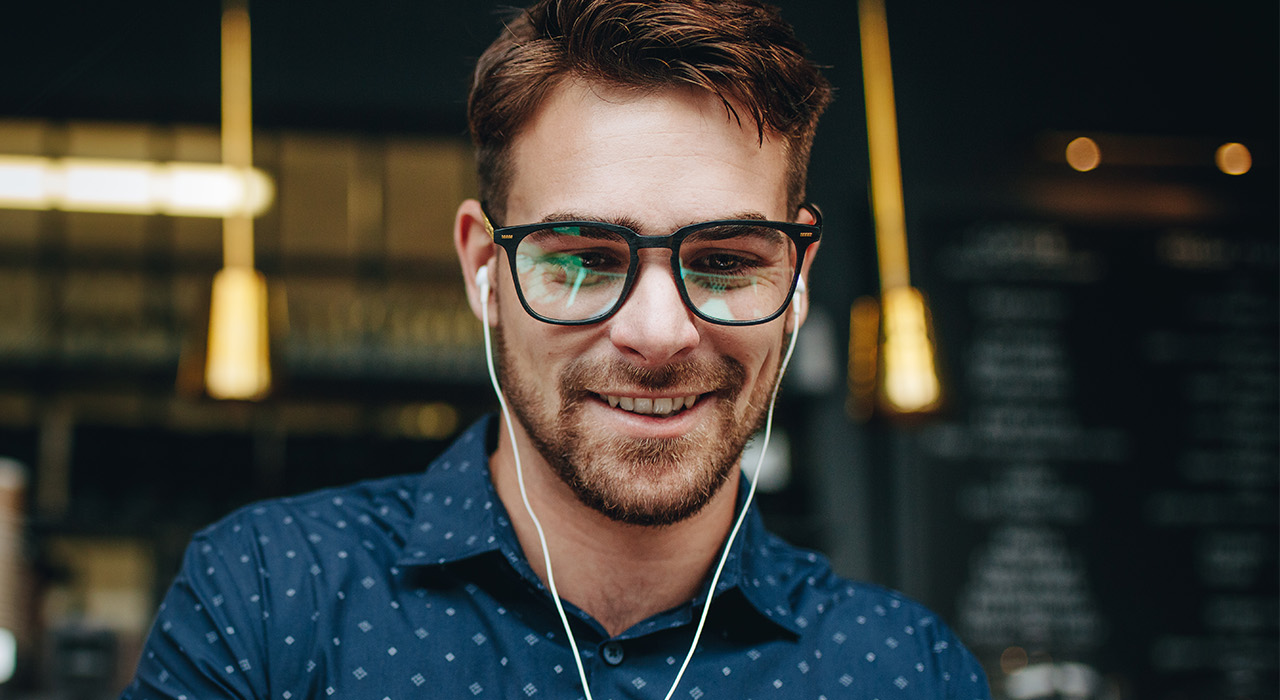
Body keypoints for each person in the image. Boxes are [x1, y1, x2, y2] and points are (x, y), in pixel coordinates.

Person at [123, 1, 988, 698]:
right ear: (482, 269)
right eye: (581, 258)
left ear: (797, 277)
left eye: (725, 261)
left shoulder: (907, 670)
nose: (657, 332)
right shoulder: (273, 601)